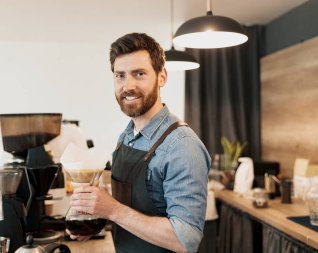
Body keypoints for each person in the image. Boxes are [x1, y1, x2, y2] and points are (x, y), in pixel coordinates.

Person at [67, 33, 211, 253]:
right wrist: (96, 220)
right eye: (120, 76)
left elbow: (186, 240)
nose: (128, 86)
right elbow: (130, 211)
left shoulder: (182, 146)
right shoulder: (127, 136)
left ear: (161, 76)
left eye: (139, 74)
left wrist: (112, 210)